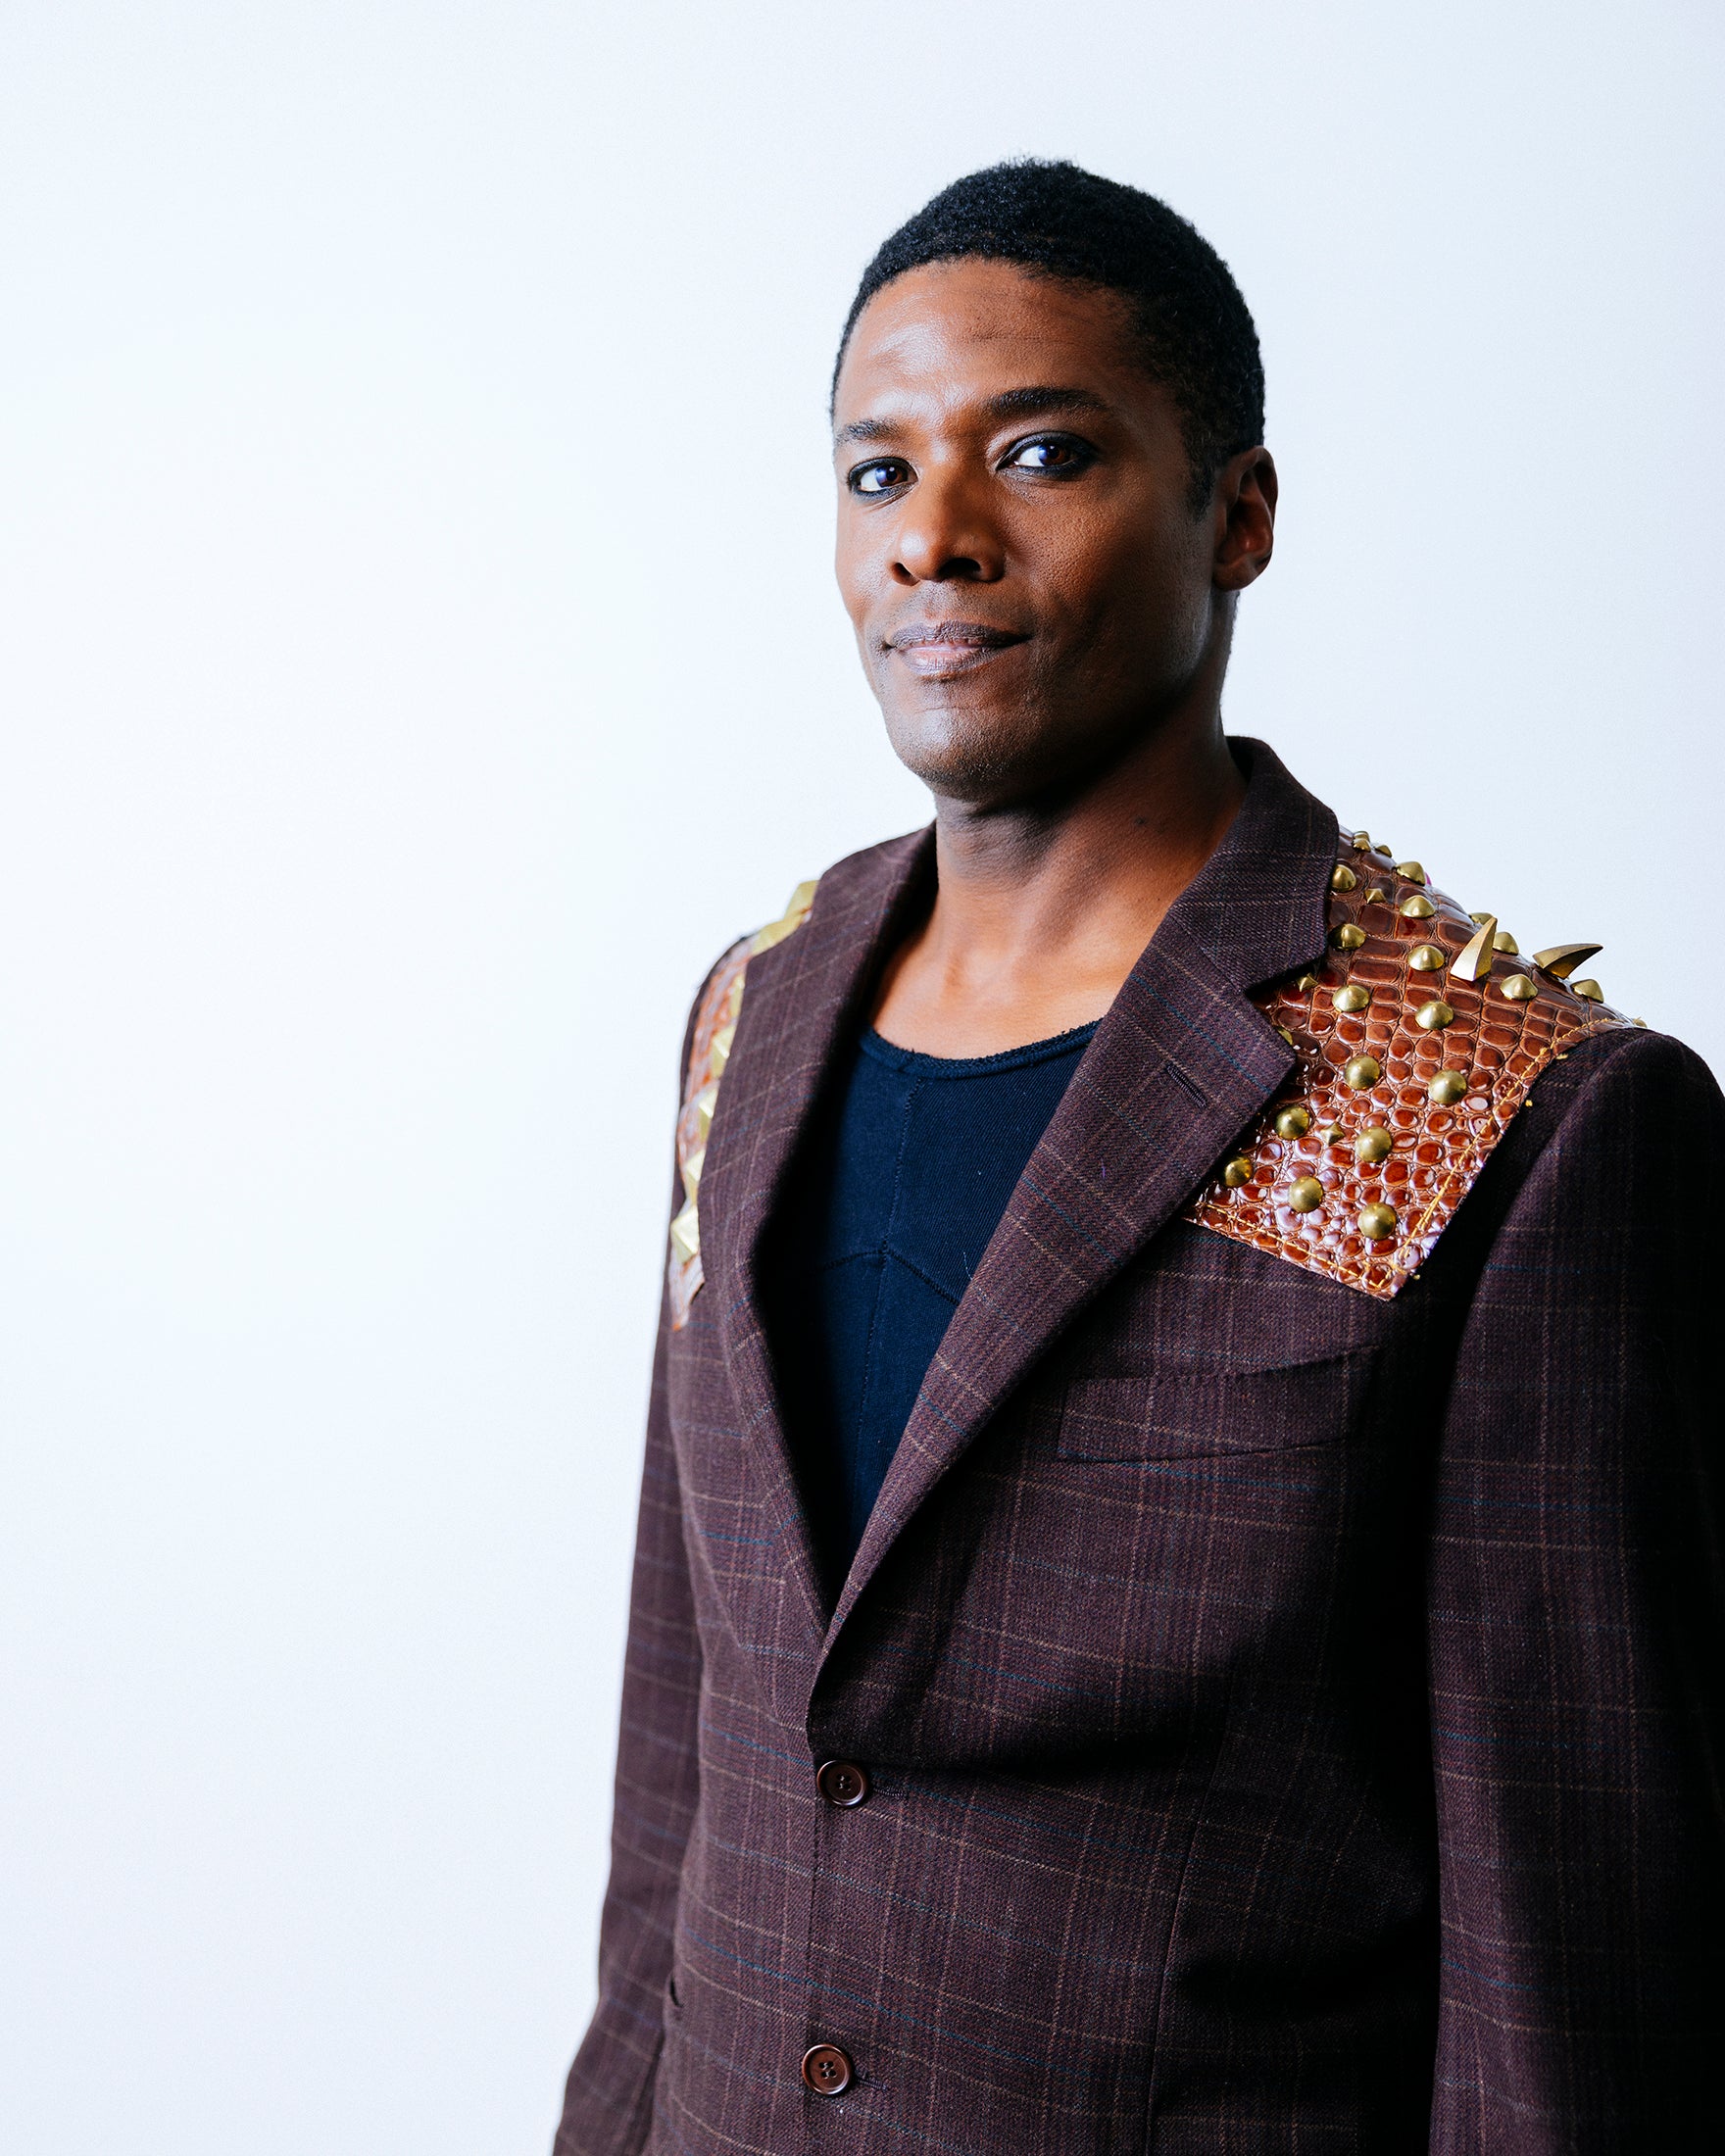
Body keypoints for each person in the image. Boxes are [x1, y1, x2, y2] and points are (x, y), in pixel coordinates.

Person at [554, 161, 1724, 2154]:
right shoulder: (749, 1014)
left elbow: (1567, 1987)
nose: (934, 534)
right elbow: (690, 1757)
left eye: (1042, 453)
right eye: (876, 470)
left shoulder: (1514, 1112)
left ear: (1236, 515)